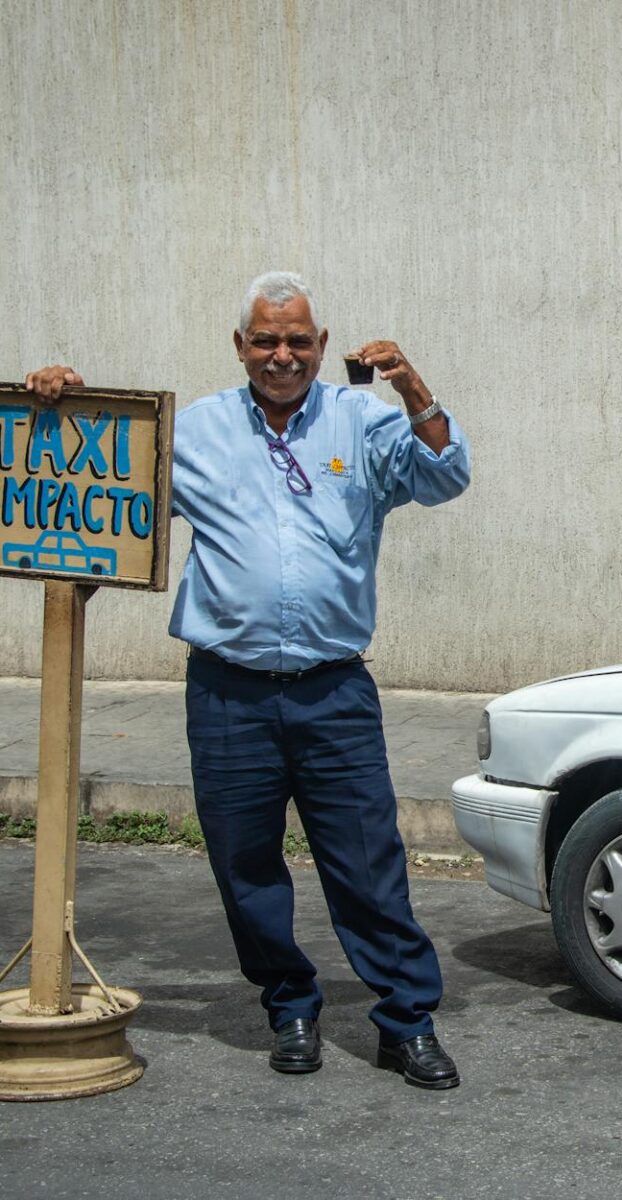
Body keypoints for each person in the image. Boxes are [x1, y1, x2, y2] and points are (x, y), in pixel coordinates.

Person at [24, 271, 470, 1089]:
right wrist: (66, 409)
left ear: (322, 346)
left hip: (334, 692)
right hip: (228, 692)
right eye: (265, 340)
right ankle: (290, 1006)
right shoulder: (192, 432)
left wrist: (410, 384)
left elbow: (444, 476)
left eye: (298, 340)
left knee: (369, 865)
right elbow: (100, 498)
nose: (282, 355)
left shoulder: (361, 421)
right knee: (245, 863)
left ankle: (406, 1019)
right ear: (240, 347)